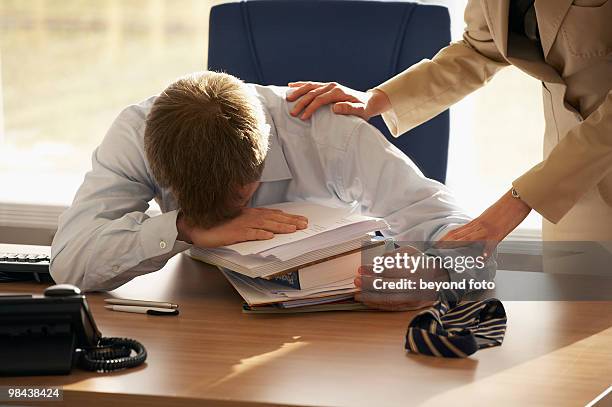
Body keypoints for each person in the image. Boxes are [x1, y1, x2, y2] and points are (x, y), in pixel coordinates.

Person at [51, 71, 493, 309]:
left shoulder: (327, 131)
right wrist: (184, 228)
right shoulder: (135, 133)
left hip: (332, 329)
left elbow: (455, 231)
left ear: (259, 165)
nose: (228, 217)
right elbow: (69, 263)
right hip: (206, 310)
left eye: (236, 200)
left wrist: (433, 274)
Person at [286, 0, 612, 250]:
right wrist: (376, 100)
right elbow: (480, 48)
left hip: (584, 158)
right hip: (570, 186)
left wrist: (518, 201)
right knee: (574, 316)